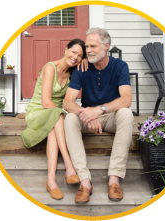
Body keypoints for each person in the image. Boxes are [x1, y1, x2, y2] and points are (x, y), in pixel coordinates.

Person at [63, 28, 134, 203]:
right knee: (70, 117)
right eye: (87, 46)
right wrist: (88, 114)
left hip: (110, 117)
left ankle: (114, 179)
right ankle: (85, 181)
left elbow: (126, 100)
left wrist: (99, 110)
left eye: (93, 46)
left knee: (126, 114)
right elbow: (67, 102)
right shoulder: (82, 68)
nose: (88, 50)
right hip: (87, 118)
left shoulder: (120, 66)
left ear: (106, 46)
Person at [21, 39, 88, 200]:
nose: (76, 57)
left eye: (80, 56)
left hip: (53, 116)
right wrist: (61, 113)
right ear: (66, 49)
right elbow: (46, 102)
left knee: (53, 128)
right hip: (39, 111)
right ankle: (69, 166)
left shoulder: (73, 73)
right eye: (73, 52)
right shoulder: (50, 67)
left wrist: (86, 60)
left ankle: (51, 180)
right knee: (57, 116)